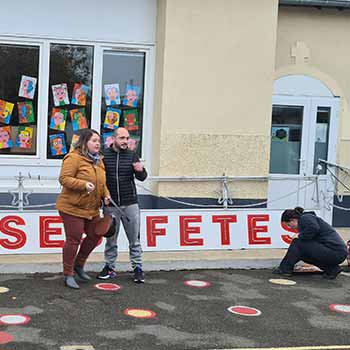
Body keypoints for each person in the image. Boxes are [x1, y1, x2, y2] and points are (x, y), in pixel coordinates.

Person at [56, 129, 112, 289]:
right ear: (85, 142)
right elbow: (64, 179)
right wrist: (82, 185)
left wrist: (106, 195)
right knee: (74, 240)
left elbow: (102, 183)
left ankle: (78, 266)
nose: (97, 144)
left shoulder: (99, 161)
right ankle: (68, 274)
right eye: (94, 140)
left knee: (95, 235)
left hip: (91, 209)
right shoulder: (73, 157)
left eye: (99, 141)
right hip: (72, 207)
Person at [97, 127, 147, 283]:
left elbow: (142, 177)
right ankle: (110, 267)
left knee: (135, 240)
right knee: (111, 240)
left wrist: (140, 170)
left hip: (130, 203)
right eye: (122, 138)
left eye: (127, 138)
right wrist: (102, 197)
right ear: (113, 139)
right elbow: (99, 179)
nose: (125, 141)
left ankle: (138, 268)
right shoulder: (103, 156)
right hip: (110, 204)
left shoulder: (132, 155)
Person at [273, 207, 347, 279]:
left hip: (335, 251)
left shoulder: (305, 218)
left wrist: (299, 235)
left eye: (288, 225)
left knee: (297, 242)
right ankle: (332, 269)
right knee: (302, 254)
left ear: (293, 220)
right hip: (336, 253)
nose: (290, 227)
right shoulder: (306, 219)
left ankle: (284, 269)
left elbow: (314, 228)